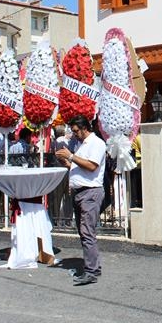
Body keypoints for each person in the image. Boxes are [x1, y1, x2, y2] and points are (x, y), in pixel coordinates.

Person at [55, 115, 106, 286]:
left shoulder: (96, 143)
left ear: (85, 128)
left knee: (87, 232)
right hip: (80, 192)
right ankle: (93, 267)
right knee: (84, 232)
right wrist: (67, 162)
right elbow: (80, 166)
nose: (74, 134)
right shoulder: (82, 144)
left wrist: (71, 157)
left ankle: (91, 271)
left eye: (76, 131)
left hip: (90, 193)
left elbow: (92, 166)